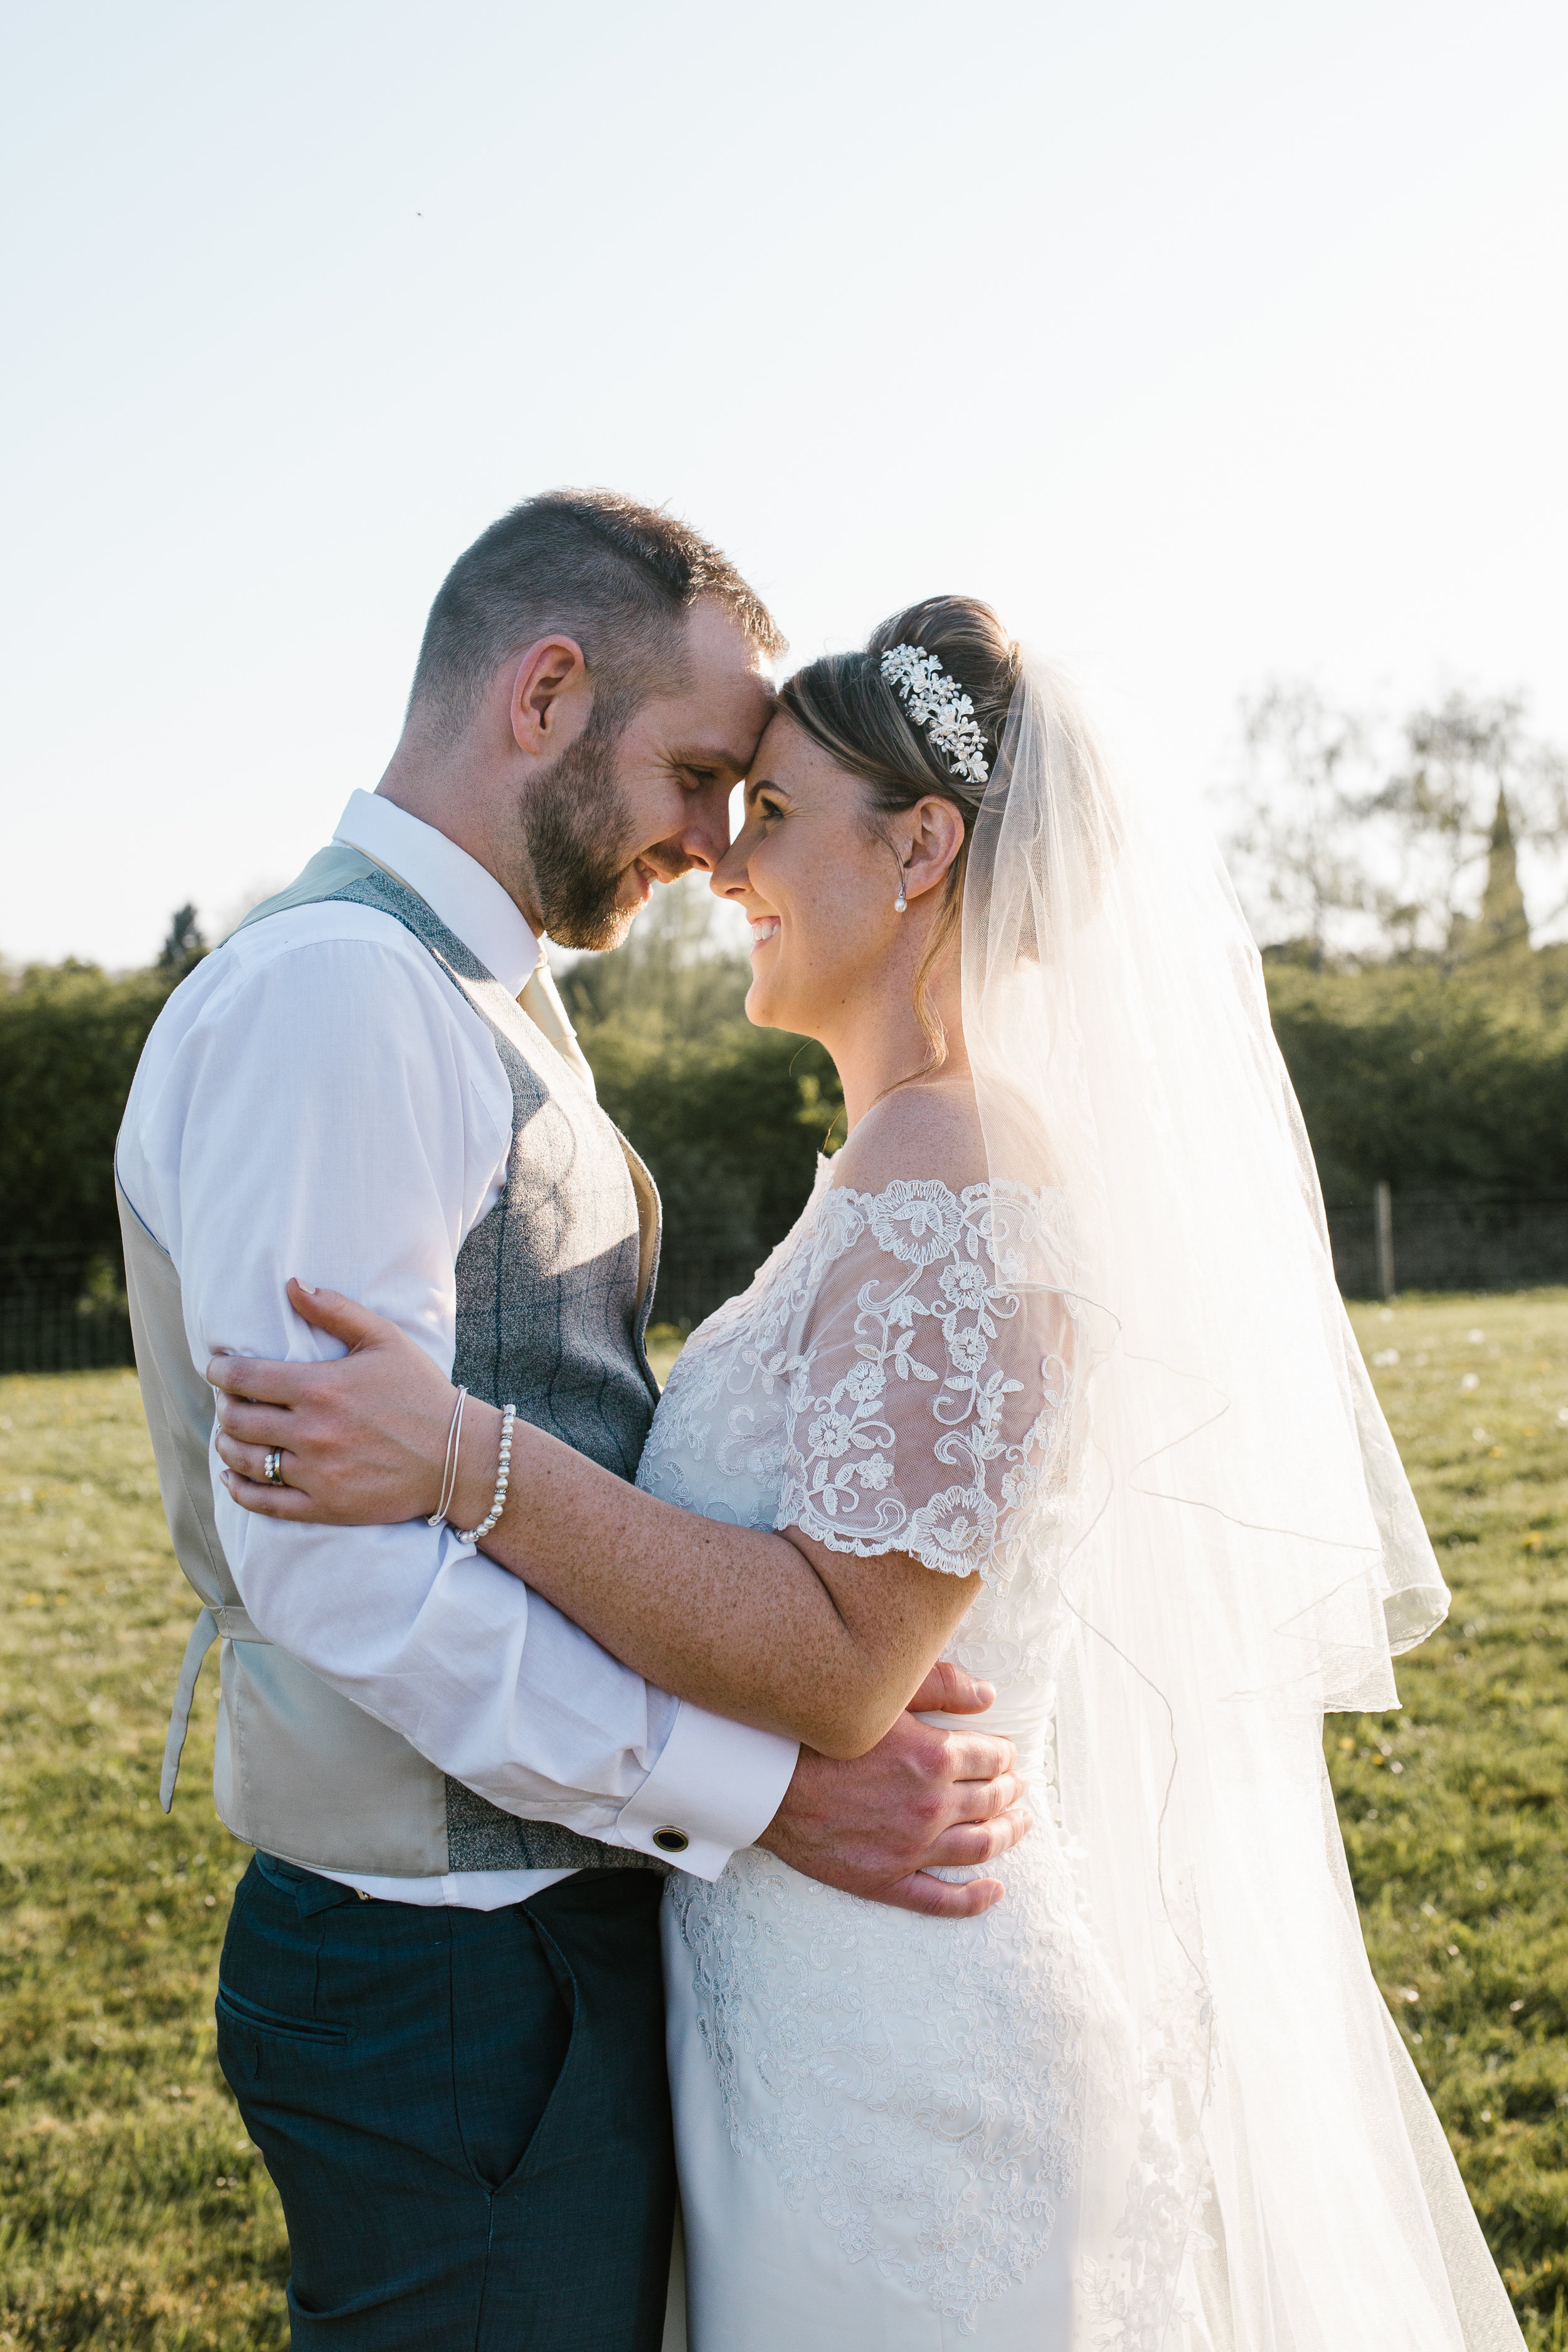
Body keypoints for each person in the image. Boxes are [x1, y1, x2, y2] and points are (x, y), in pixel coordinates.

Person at [215, 595, 1530, 2351]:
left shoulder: (963, 1188)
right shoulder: (893, 1167)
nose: (722, 861)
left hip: (910, 2054)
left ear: (918, 848)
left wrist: (464, 1453)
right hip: (801, 2010)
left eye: (768, 811)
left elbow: (847, 1664)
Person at [114, 502, 1033, 2352]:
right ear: (543, 693)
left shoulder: (475, 992)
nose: (713, 843)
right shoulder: (340, 1000)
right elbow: (336, 1568)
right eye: (699, 774)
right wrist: (760, 1790)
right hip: (451, 1964)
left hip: (542, 1929)